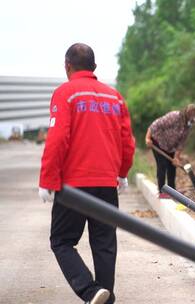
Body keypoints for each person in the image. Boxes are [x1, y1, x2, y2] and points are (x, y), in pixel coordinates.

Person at [38, 43, 135, 304]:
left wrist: (47, 180)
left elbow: (57, 139)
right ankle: (104, 297)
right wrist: (122, 173)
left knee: (61, 241)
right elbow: (127, 142)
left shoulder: (65, 93)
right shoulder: (114, 97)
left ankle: (91, 292)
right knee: (104, 244)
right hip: (106, 184)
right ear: (94, 68)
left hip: (73, 187)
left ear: (67, 66)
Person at [145, 104, 195, 198]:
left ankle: (172, 191)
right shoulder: (174, 116)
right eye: (193, 120)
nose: (194, 122)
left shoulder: (188, 126)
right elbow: (155, 125)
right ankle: (162, 192)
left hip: (170, 146)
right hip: (158, 141)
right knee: (162, 165)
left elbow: (181, 143)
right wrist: (147, 138)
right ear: (189, 116)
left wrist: (176, 157)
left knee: (172, 167)